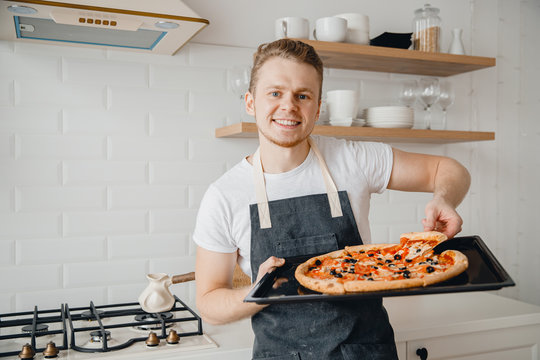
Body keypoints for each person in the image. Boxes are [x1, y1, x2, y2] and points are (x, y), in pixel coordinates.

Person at [193, 39, 470, 359]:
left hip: (367, 351)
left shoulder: (354, 159)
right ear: (250, 102)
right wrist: (259, 293)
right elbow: (209, 304)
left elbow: (448, 169)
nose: (289, 106)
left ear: (318, 107)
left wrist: (445, 199)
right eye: (275, 93)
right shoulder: (224, 195)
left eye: (302, 95)